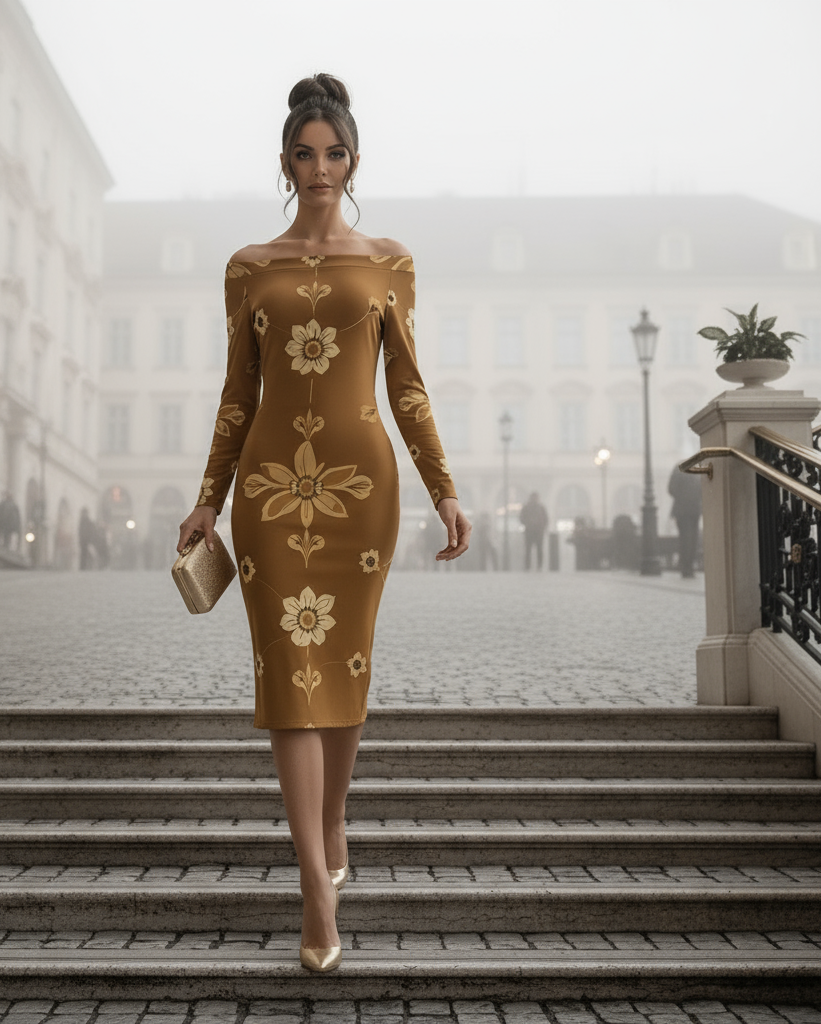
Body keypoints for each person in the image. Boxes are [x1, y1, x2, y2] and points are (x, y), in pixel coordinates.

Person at [177, 74, 471, 973]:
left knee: (342, 669)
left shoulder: (390, 262)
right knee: (289, 676)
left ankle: (336, 819)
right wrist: (208, 496)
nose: (319, 168)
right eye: (303, 154)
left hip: (361, 490)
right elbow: (238, 392)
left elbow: (408, 387)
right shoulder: (249, 267)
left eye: (333, 153)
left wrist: (444, 489)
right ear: (283, 162)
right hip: (269, 490)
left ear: (353, 160)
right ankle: (313, 885)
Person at [668, 466, 702, 578]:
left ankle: (686, 567)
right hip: (694, 510)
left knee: (685, 539)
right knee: (692, 539)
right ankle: (689, 567)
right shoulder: (697, 473)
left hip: (682, 510)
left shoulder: (678, 470)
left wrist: (682, 497)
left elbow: (671, 489)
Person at [520, 491, 548, 570]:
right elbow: (521, 518)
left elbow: (546, 519)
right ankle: (528, 566)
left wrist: (542, 527)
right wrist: (528, 523)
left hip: (537, 532)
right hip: (531, 531)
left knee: (538, 549)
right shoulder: (528, 507)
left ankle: (538, 566)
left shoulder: (540, 508)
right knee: (529, 550)